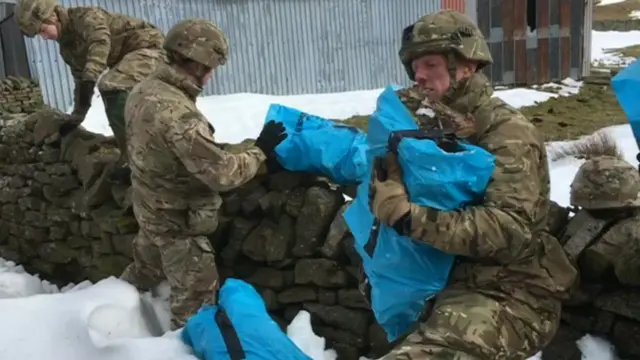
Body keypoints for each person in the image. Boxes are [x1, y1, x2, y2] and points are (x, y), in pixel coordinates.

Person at [368, 10, 577, 359]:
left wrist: (408, 217)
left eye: (431, 64)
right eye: (415, 66)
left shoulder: (507, 132)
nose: (419, 75)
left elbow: (510, 229)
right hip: (438, 279)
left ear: (467, 65)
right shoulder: (420, 125)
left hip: (508, 290)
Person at [120, 18, 287, 330]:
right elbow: (222, 174)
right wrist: (259, 150)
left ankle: (113, 316)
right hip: (178, 224)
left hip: (149, 212)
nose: (212, 75)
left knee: (139, 277)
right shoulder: (180, 115)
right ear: (197, 63)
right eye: (212, 66)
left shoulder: (143, 90)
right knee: (195, 317)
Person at [15, 0, 166, 180]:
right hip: (128, 58)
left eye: (42, 30)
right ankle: (143, 148)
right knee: (123, 92)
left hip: (149, 48)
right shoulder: (68, 48)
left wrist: (90, 75)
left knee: (112, 85)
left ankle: (134, 159)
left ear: (52, 16)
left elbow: (100, 42)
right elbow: (81, 82)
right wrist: (77, 116)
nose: (45, 38)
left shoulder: (86, 17)